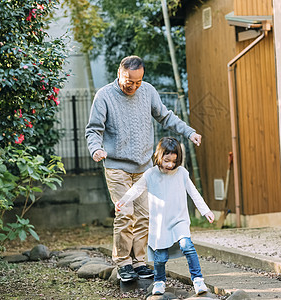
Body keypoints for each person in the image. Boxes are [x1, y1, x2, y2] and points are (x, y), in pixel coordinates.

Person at [85, 56, 202, 282]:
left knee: (145, 216)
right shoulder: (104, 96)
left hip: (144, 167)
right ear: (120, 73)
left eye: (138, 82)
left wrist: (189, 132)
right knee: (125, 214)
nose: (134, 86)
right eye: (130, 81)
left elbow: (165, 116)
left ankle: (139, 262)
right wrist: (96, 149)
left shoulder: (147, 91)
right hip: (117, 166)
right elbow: (93, 130)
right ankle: (123, 263)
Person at [115, 137, 215, 295]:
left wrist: (206, 211)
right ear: (159, 156)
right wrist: (123, 201)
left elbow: (193, 193)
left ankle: (198, 280)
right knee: (160, 257)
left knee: (187, 246)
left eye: (174, 161)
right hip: (160, 223)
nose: (170, 165)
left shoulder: (181, 173)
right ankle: (159, 281)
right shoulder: (151, 174)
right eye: (166, 160)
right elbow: (136, 189)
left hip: (179, 219)